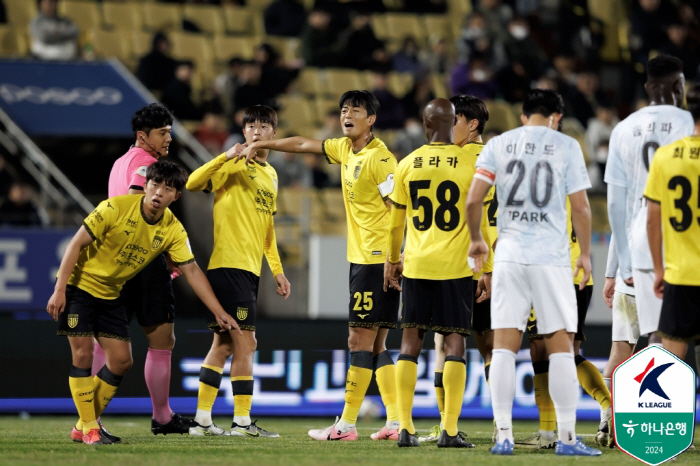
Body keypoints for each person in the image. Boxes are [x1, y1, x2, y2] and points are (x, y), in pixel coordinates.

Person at [235, 91, 401, 442]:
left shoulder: (381, 159)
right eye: (343, 109)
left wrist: (394, 258)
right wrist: (269, 143)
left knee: (358, 338)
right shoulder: (345, 149)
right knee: (377, 345)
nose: (347, 114)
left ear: (371, 119)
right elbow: (304, 143)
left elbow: (399, 209)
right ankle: (395, 422)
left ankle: (347, 425)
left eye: (355, 110)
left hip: (376, 261)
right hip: (365, 260)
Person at [47, 160, 239, 446]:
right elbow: (76, 243)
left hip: (111, 294)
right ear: (145, 185)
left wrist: (218, 311)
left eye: (168, 188)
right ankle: (90, 428)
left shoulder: (173, 228)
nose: (159, 192)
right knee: (83, 355)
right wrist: (60, 289)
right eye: (155, 184)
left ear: (177, 196)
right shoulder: (114, 208)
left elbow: (192, 271)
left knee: (122, 361)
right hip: (79, 289)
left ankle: (82, 426)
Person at [466, 88, 600, 456]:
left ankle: (504, 436)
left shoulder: (499, 143)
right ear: (556, 117)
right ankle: (568, 439)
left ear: (524, 117)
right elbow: (582, 209)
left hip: (509, 256)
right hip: (551, 258)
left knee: (505, 348)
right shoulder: (566, 146)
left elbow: (474, 198)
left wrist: (477, 240)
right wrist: (585, 255)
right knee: (560, 347)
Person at [91, 103, 198, 437]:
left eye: (169, 130)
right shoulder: (147, 165)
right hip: (143, 263)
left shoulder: (119, 162)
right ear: (143, 136)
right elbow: (142, 204)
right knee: (162, 341)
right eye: (163, 132)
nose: (169, 137)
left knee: (103, 344)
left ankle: (88, 418)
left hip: (114, 262)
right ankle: (162, 417)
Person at [186, 105, 291, 437]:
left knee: (224, 345)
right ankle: (242, 422)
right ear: (243, 132)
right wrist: (225, 156)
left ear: (273, 134)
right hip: (229, 265)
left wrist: (277, 270)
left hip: (250, 269)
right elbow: (192, 183)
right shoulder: (231, 164)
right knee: (246, 343)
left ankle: (202, 420)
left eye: (264, 126)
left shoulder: (271, 175)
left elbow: (267, 228)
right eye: (251, 126)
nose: (257, 131)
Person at [384, 98, 479, 448]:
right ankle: (449, 430)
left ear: (425, 124)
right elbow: (481, 221)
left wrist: (392, 260)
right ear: (454, 122)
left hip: (417, 264)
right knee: (454, 343)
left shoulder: (407, 164)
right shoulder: (470, 164)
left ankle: (406, 428)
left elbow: (396, 225)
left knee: (410, 342)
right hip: (455, 266)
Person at [417, 95, 496, 444]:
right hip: (486, 264)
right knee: (489, 346)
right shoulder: (498, 157)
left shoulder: (459, 160)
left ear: (472, 124)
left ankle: (446, 424)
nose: (451, 128)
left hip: (467, 265)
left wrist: (485, 269)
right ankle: (500, 425)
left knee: (444, 342)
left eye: (456, 121)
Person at [604, 54, 694, 348]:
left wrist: (621, 265)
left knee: (658, 333)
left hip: (643, 243)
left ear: (647, 87)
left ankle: (655, 394)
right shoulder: (691, 122)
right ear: (679, 85)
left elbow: (616, 204)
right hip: (687, 239)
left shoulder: (623, 129)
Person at [518, 197, 612, 450]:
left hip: (547, 272)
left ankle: (548, 432)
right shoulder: (570, 175)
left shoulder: (532, 178)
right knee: (570, 353)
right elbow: (583, 209)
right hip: (578, 274)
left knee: (540, 348)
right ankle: (608, 405)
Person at [644, 83, 700, 363]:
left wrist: (657, 269)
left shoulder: (666, 155)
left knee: (670, 369)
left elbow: (652, 220)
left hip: (680, 276)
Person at [597, 233, 638, 447]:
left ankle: (605, 423)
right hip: (662, 280)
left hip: (627, 280)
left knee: (618, 354)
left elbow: (616, 227)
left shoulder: (626, 198)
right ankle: (664, 427)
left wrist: (610, 275)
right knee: (665, 350)